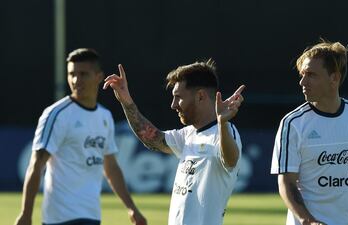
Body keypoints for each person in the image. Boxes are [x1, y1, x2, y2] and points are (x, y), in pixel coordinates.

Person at [103, 59, 245, 225]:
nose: (173, 105)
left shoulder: (225, 131)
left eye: (178, 97)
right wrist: (126, 101)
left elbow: (231, 160)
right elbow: (153, 139)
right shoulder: (188, 134)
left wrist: (222, 123)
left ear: (200, 96)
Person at [14, 48, 147, 225]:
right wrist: (25, 214)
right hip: (60, 218)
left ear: (99, 77)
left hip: (91, 216)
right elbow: (36, 165)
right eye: (72, 74)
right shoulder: (56, 114)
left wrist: (132, 208)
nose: (76, 80)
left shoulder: (104, 116)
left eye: (83, 74)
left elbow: (111, 168)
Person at [270, 40, 348, 225]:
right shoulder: (292, 123)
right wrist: (309, 221)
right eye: (302, 75)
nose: (302, 82)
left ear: (334, 78)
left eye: (311, 75)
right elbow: (287, 183)